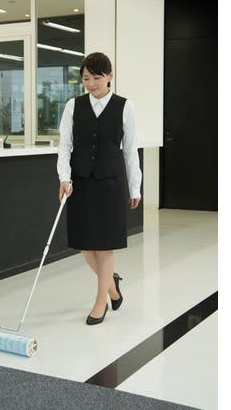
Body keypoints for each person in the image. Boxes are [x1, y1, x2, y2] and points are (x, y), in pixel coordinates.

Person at [57, 52, 142, 325]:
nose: (91, 84)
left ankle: (100, 301)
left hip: (110, 183)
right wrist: (64, 178)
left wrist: (135, 188)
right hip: (80, 182)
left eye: (96, 77)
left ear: (110, 77)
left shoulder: (125, 107)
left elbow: (130, 151)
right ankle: (113, 286)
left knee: (104, 247)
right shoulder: (73, 106)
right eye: (86, 78)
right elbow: (64, 145)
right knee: (85, 245)